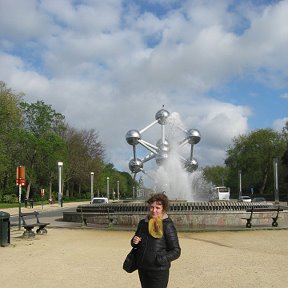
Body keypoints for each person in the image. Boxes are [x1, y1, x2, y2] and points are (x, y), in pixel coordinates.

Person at [131, 192, 181, 288]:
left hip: (159, 270)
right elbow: (135, 242)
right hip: (143, 268)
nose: (154, 210)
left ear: (163, 209)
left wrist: (160, 260)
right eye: (152, 207)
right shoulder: (143, 223)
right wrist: (134, 241)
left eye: (157, 208)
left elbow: (176, 251)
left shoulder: (167, 225)